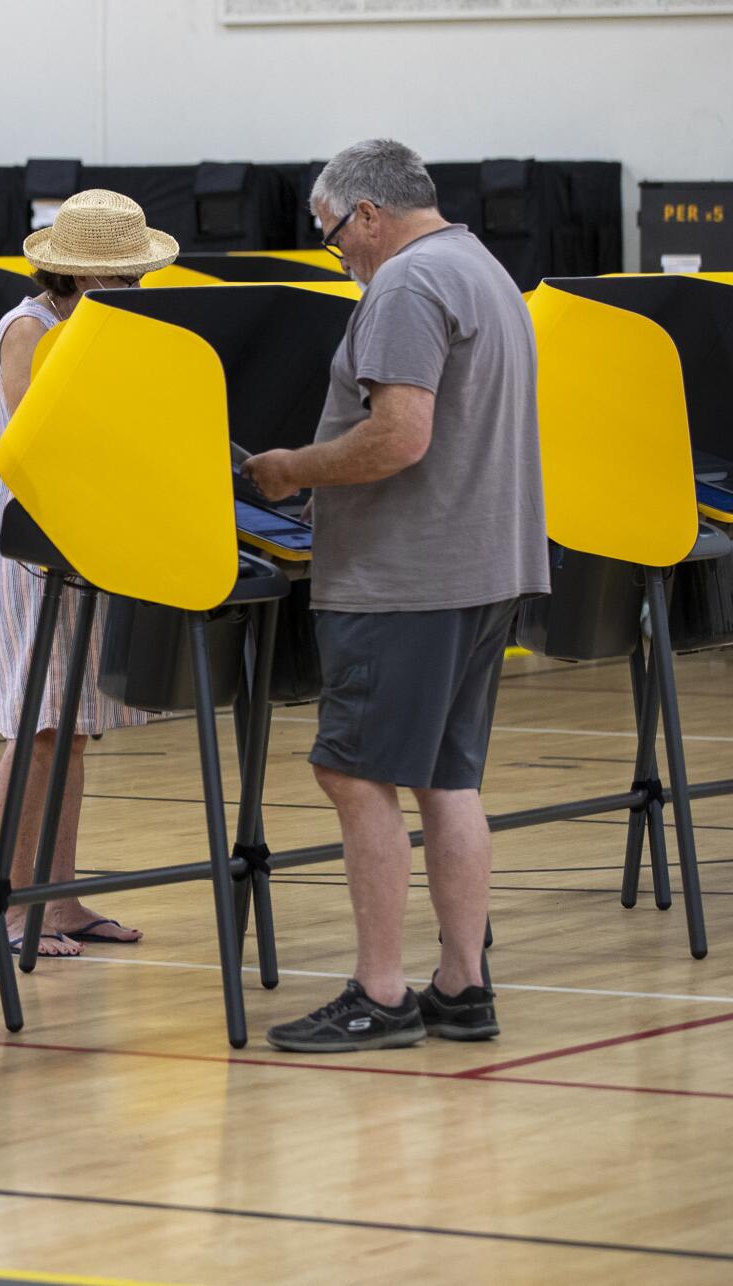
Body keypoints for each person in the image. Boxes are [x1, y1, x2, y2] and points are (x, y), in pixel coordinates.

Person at [243, 139, 548, 1052]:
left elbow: (400, 437)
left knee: (354, 772)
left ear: (369, 213)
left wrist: (292, 469)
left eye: (333, 233)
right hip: (484, 563)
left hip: (405, 576)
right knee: (447, 778)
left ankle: (379, 992)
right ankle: (463, 984)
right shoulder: (481, 266)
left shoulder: (407, 285)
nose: (336, 250)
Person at [0, 190, 178, 956]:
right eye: (117, 279)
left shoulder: (102, 324)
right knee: (36, 731)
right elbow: (36, 432)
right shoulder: (30, 327)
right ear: (71, 274)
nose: (130, 291)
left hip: (83, 537)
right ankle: (11, 907)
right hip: (30, 543)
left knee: (71, 731)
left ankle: (57, 900)